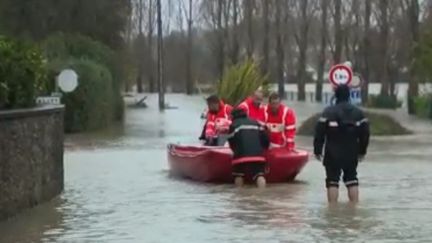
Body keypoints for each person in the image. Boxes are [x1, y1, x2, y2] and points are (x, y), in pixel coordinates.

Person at [313, 84, 370, 204]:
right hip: (351, 151)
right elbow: (365, 134)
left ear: (336, 95)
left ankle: (332, 210)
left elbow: (319, 132)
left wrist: (317, 150)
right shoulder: (358, 113)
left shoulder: (328, 112)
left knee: (332, 181)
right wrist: (362, 151)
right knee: (352, 179)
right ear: (349, 95)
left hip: (332, 152)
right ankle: (354, 207)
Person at [228, 108, 270, 188]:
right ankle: (263, 193)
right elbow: (265, 139)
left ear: (233, 116)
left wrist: (235, 151)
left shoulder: (233, 125)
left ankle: (239, 195)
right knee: (259, 175)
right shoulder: (256, 123)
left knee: (239, 175)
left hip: (241, 157)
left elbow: (231, 141)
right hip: (258, 156)